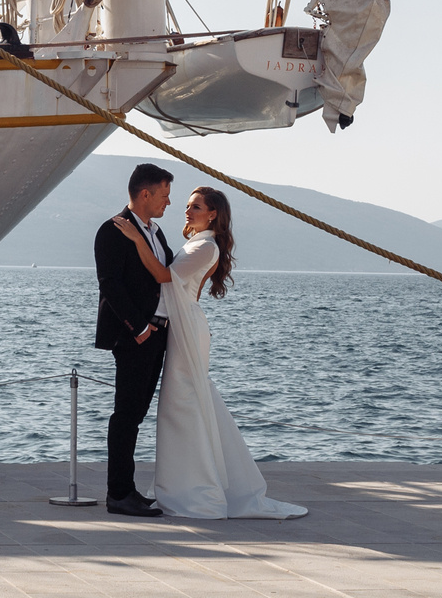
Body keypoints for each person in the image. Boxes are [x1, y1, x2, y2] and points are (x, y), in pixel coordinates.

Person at [107, 185, 307, 520]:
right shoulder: (196, 243)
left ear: (213, 213)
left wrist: (136, 239)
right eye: (187, 205)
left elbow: (163, 276)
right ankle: (187, 485)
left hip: (188, 331)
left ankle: (196, 490)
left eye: (195, 206)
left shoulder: (205, 246)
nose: (187, 211)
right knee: (185, 404)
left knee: (184, 405)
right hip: (182, 329)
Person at [91, 162, 176, 515]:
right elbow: (110, 285)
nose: (167, 203)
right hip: (135, 337)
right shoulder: (112, 230)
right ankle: (118, 494)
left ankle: (129, 489)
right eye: (164, 195)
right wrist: (139, 329)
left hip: (158, 335)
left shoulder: (155, 232)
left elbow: (165, 275)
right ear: (145, 193)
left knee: (136, 415)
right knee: (126, 415)